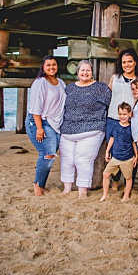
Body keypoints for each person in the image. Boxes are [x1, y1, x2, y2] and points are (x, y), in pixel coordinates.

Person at [58, 60, 111, 198]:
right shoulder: (69, 88)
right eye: (82, 70)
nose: (85, 73)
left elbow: (111, 104)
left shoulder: (101, 88)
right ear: (77, 72)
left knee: (82, 160)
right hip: (68, 129)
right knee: (67, 160)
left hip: (92, 129)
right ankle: (67, 188)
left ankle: (82, 190)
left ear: (92, 72)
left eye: (88, 70)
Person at [105, 48, 138, 190]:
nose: (127, 65)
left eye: (129, 61)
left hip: (131, 122)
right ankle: (115, 182)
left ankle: (130, 183)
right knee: (114, 151)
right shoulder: (115, 78)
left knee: (131, 152)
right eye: (124, 62)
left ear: (135, 62)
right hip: (113, 120)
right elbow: (107, 96)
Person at [26, 55, 66, 196]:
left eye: (54, 65)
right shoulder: (40, 82)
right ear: (43, 67)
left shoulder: (60, 82)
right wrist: (39, 128)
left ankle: (41, 184)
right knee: (47, 154)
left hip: (55, 123)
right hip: (40, 121)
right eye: (48, 65)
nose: (51, 67)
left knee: (51, 155)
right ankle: (37, 185)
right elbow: (35, 107)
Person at [100, 102, 138, 202]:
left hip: (128, 158)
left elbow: (133, 143)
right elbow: (112, 138)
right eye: (120, 114)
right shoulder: (115, 125)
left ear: (130, 114)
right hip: (116, 157)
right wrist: (107, 151)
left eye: (124, 114)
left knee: (128, 177)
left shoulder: (131, 127)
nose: (122, 116)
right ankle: (105, 194)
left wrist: (136, 156)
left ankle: (126, 195)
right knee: (106, 174)